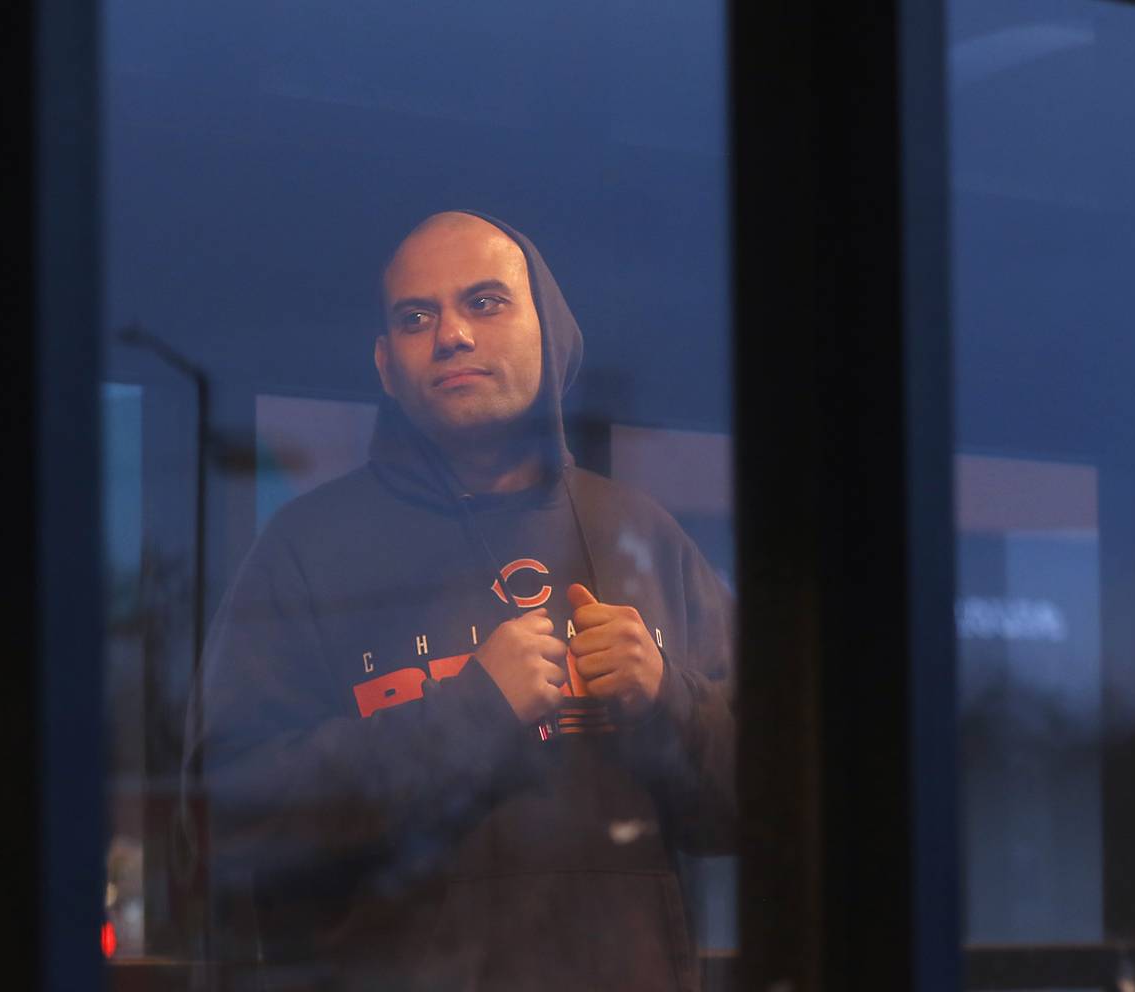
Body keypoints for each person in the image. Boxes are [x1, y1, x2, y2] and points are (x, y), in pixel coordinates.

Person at [184, 210, 735, 991]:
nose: (451, 335)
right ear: (384, 363)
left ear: (552, 334)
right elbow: (230, 821)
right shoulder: (306, 550)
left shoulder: (639, 536)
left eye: (485, 302)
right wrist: (470, 712)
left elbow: (774, 803)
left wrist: (664, 697)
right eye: (416, 317)